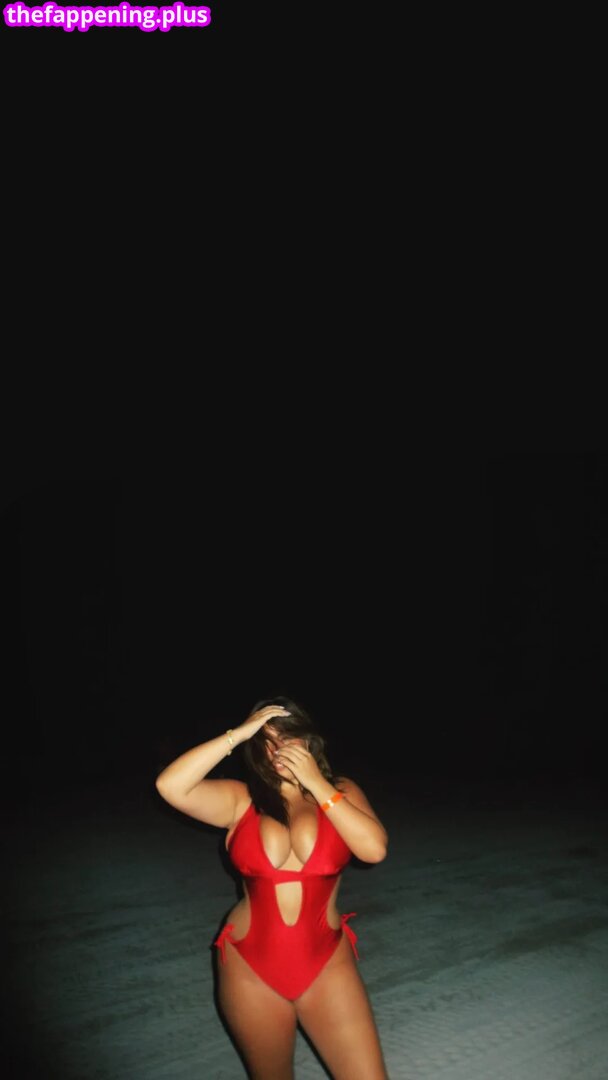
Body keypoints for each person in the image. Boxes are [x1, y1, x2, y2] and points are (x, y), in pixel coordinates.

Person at [155, 695, 389, 1080]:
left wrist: (315, 783)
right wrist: (238, 734)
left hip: (327, 965)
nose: (277, 747)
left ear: (308, 740)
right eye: (266, 739)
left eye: (287, 736)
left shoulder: (340, 791)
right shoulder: (241, 800)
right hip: (249, 968)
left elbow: (374, 849)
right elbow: (170, 786)